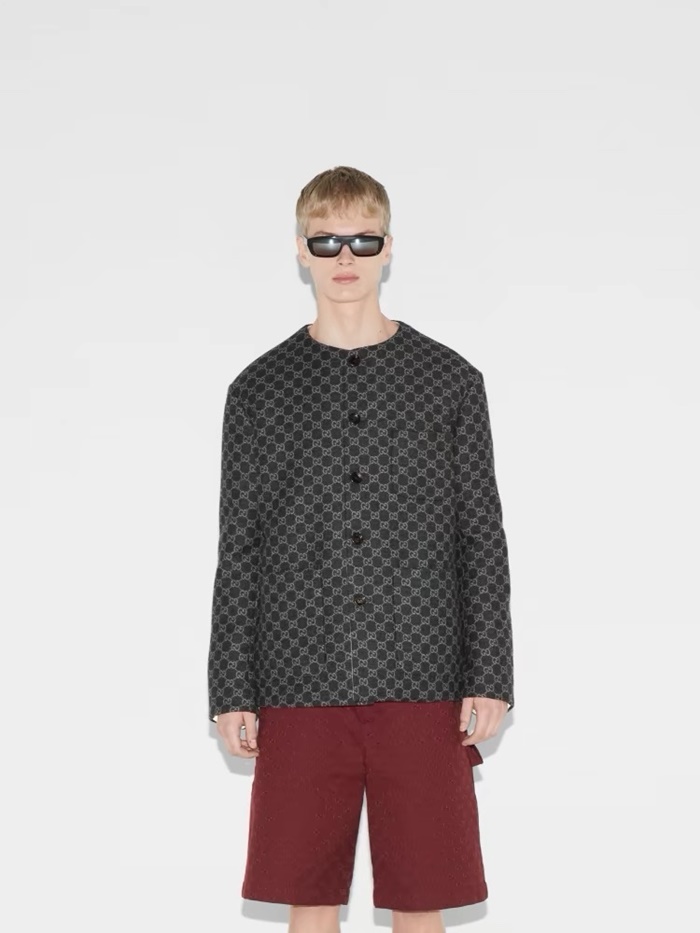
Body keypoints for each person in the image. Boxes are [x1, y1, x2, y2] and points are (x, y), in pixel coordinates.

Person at [208, 165, 514, 933]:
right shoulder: (259, 391)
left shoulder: (449, 381)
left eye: (362, 240)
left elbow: (480, 532)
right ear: (301, 250)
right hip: (296, 672)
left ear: (388, 246)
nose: (345, 256)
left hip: (424, 668)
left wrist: (489, 674)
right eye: (326, 241)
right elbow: (239, 544)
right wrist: (231, 686)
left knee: (422, 892)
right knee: (308, 893)